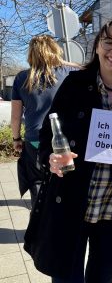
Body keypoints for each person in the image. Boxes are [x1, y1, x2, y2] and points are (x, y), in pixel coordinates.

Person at [24, 14, 112, 283]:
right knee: (65, 276)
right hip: (72, 203)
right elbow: (50, 132)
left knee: (101, 277)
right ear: (97, 46)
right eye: (108, 42)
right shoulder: (74, 85)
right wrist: (50, 158)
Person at [11, 35, 79, 208]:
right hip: (63, 140)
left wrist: (16, 139)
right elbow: (85, 67)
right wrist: (63, 62)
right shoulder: (69, 73)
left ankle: (38, 228)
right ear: (55, 51)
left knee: (37, 184)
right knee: (63, 182)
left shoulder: (21, 78)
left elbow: (16, 116)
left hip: (34, 140)